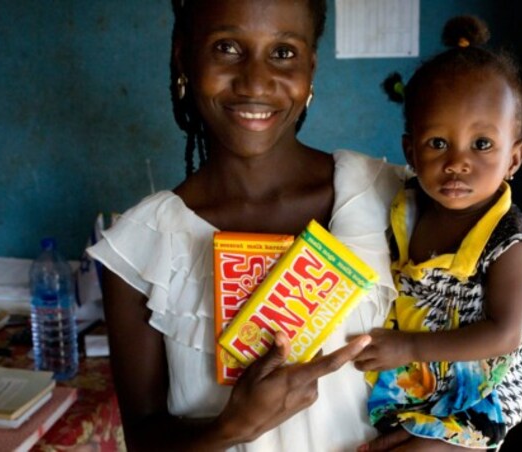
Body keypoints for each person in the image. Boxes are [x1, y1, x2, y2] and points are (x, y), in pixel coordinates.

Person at [87, 0, 404, 450]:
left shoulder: (385, 198)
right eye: (228, 48)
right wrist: (234, 426)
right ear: (184, 56)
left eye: (283, 53)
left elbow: (486, 334)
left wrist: (454, 440)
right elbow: (143, 437)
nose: (255, 81)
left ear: (311, 66)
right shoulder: (142, 247)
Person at [352, 16, 522, 450]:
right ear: (410, 150)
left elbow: (505, 334)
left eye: (481, 145)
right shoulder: (404, 208)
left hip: (476, 400)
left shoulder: (508, 240)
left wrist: (408, 348)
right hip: (414, 387)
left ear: (514, 159)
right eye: (438, 143)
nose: (457, 162)